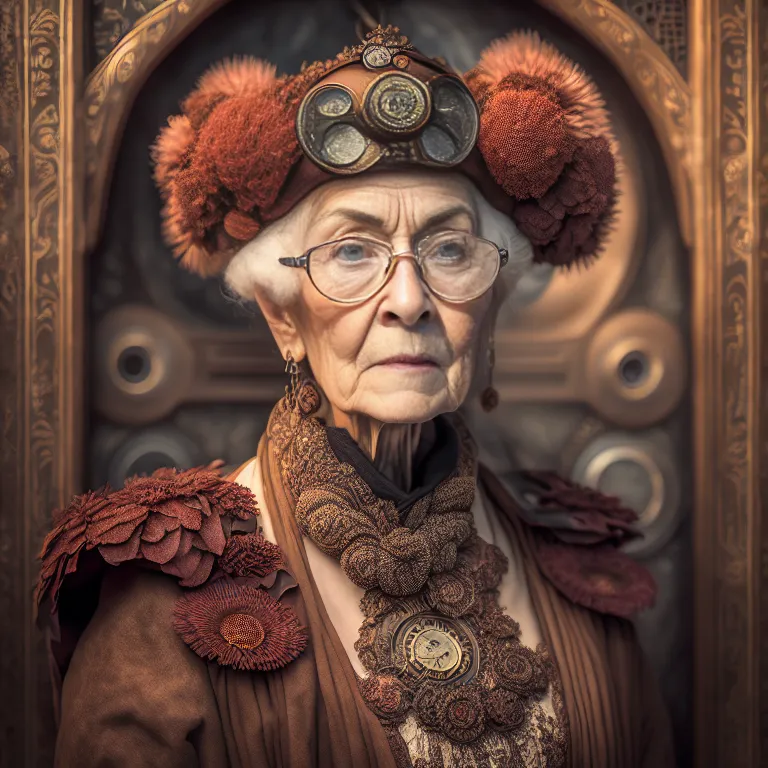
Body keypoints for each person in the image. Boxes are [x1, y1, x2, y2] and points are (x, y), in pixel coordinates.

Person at [36, 25, 674, 768]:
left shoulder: (574, 575)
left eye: (449, 249)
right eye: (351, 251)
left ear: (492, 304)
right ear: (283, 315)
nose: (409, 299)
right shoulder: (158, 605)